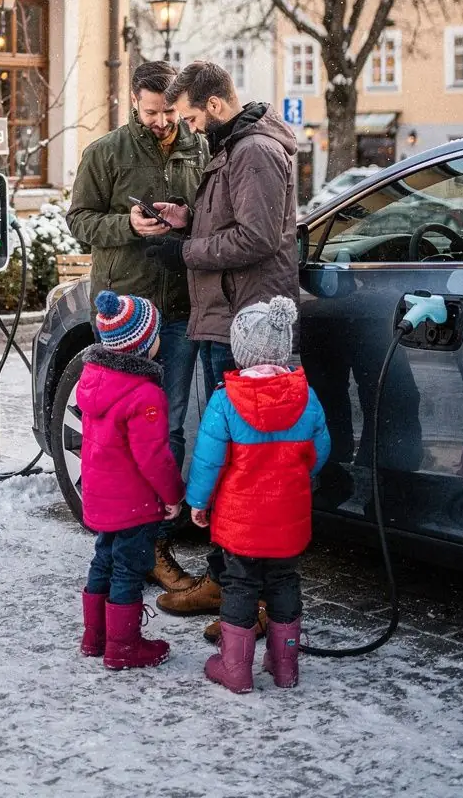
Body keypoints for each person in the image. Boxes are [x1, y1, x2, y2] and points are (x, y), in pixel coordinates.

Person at [146, 60, 300, 619]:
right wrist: (188, 220)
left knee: (241, 461)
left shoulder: (253, 150)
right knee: (235, 457)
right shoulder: (236, 147)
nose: (186, 128)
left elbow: (257, 237)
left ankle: (242, 589)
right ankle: (229, 578)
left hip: (244, 324)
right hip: (228, 316)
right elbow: (236, 222)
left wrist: (185, 250)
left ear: (213, 105)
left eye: (189, 117)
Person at [67, 60, 207, 592]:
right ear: (133, 102)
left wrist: (186, 218)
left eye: (169, 111)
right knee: (119, 427)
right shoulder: (105, 153)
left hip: (179, 306)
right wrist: (127, 224)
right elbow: (78, 220)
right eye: (152, 112)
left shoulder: (198, 145)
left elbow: (210, 210)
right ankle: (129, 535)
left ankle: (155, 537)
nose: (162, 121)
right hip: (127, 311)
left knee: (165, 424)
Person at [186, 296, 330, 692]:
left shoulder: (225, 400)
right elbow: (320, 452)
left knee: (240, 585)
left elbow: (208, 461)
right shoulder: (306, 396)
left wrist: (199, 502)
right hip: (287, 518)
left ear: (241, 350)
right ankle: (285, 668)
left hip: (241, 522)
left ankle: (236, 669)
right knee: (285, 581)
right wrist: (297, 478)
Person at [77, 289, 185, 670]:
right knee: (129, 568)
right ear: (143, 345)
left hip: (101, 498)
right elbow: (153, 458)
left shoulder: (94, 378)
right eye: (155, 335)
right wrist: (173, 494)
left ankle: (95, 637)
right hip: (135, 505)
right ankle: (123, 647)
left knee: (103, 559)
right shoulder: (145, 394)